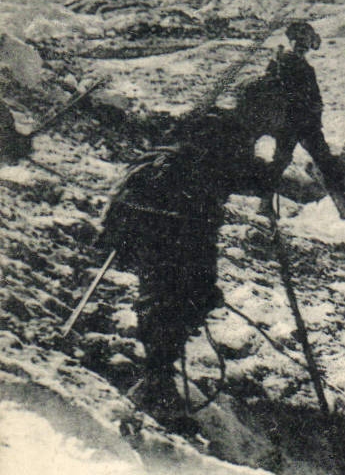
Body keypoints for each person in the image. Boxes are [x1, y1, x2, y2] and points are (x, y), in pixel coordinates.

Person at [101, 105, 279, 426]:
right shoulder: (213, 154)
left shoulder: (175, 149)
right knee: (179, 295)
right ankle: (158, 381)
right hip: (169, 223)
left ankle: (159, 372)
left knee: (164, 293)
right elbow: (241, 180)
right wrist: (268, 175)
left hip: (133, 219)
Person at [241, 21, 345, 219]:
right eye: (302, 39)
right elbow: (295, 95)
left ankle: (265, 205)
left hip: (293, 124)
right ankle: (344, 209)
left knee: (282, 162)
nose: (304, 43)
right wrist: (311, 109)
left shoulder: (284, 61)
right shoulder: (291, 63)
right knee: (323, 162)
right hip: (301, 124)